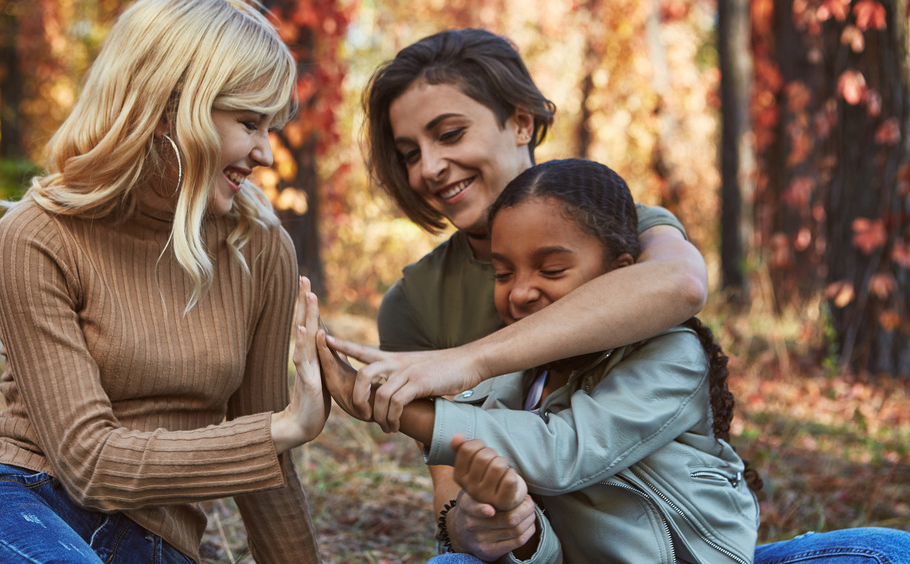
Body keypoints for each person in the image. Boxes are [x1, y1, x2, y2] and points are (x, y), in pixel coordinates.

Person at [321, 28, 910, 563]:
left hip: (668, 549)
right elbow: (459, 499)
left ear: (521, 120)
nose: (429, 167)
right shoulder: (414, 303)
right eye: (408, 154)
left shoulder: (611, 217)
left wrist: (462, 362)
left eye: (450, 133)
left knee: (885, 550)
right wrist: (488, 529)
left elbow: (679, 284)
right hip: (559, 552)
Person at [0, 1, 327, 562]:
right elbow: (87, 462)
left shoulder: (257, 248)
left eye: (271, 127)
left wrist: (278, 436)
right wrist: (283, 429)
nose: (264, 152)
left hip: (161, 545)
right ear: (170, 107)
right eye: (248, 123)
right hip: (30, 504)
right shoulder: (35, 235)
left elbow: (268, 473)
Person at [322, 158, 762, 563]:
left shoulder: (671, 355)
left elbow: (561, 452)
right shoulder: (515, 377)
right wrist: (517, 526)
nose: (519, 292)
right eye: (503, 272)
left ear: (621, 273)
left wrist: (399, 410)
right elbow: (549, 548)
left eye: (550, 271)